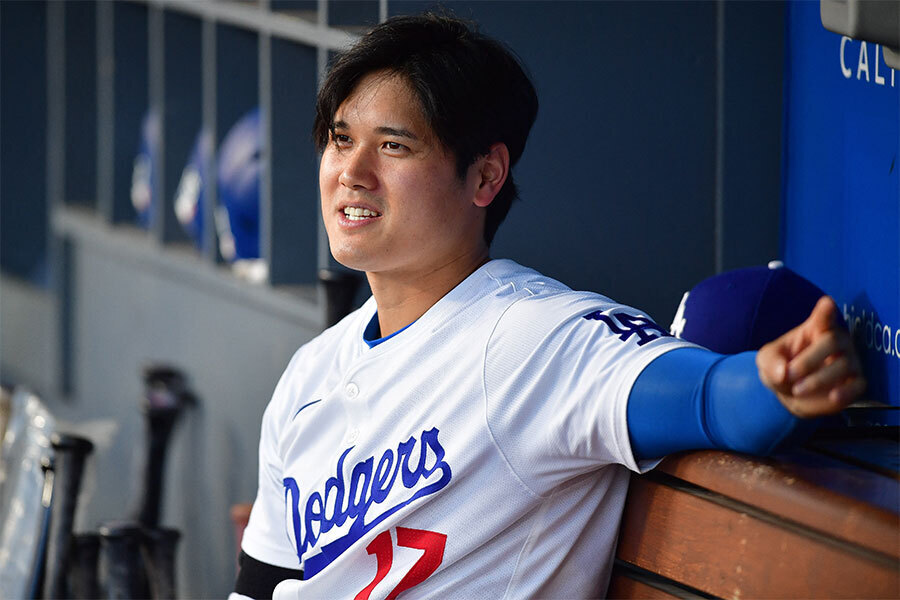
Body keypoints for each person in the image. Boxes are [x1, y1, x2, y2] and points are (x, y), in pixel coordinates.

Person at [231, 13, 865, 600]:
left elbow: (708, 398)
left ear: (485, 176)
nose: (352, 171)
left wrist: (772, 384)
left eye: (394, 146)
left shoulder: (532, 337)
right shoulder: (309, 374)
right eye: (341, 139)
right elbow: (261, 584)